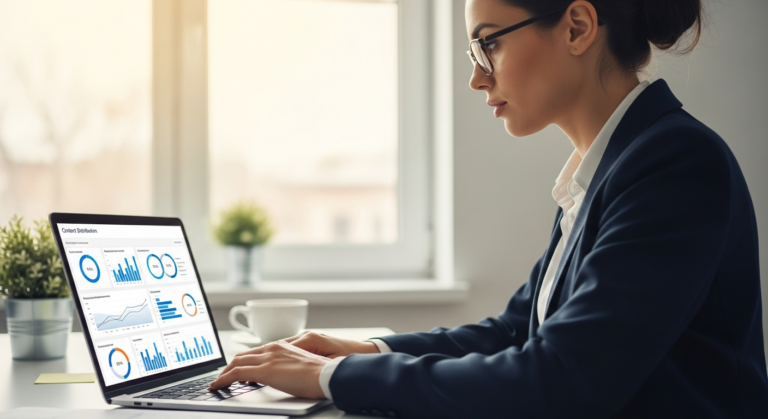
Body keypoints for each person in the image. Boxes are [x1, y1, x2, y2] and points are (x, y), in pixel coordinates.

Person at [208, 0, 768, 417]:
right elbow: (517, 330)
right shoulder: (606, 168)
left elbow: (560, 378)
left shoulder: (673, 163)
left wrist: (334, 375)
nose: (477, 76)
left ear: (577, 27)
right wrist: (364, 348)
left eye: (489, 43)